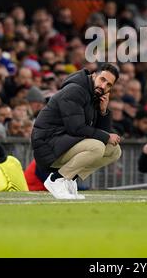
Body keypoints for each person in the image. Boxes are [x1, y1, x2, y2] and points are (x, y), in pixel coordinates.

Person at [31, 64, 121, 200]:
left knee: (114, 151)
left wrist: (103, 112)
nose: (104, 86)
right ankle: (56, 179)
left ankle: (70, 179)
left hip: (64, 142)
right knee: (97, 147)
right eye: (102, 79)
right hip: (48, 145)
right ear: (94, 75)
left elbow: (98, 133)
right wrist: (106, 136)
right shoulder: (75, 90)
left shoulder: (93, 95)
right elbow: (76, 128)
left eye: (109, 85)